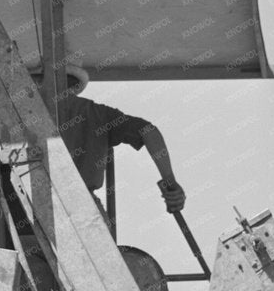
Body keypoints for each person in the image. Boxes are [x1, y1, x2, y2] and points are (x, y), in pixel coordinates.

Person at [57, 64, 186, 216]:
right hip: (84, 209)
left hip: (32, 204)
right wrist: (170, 181)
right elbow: (149, 131)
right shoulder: (99, 114)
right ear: (75, 86)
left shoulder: (28, 114)